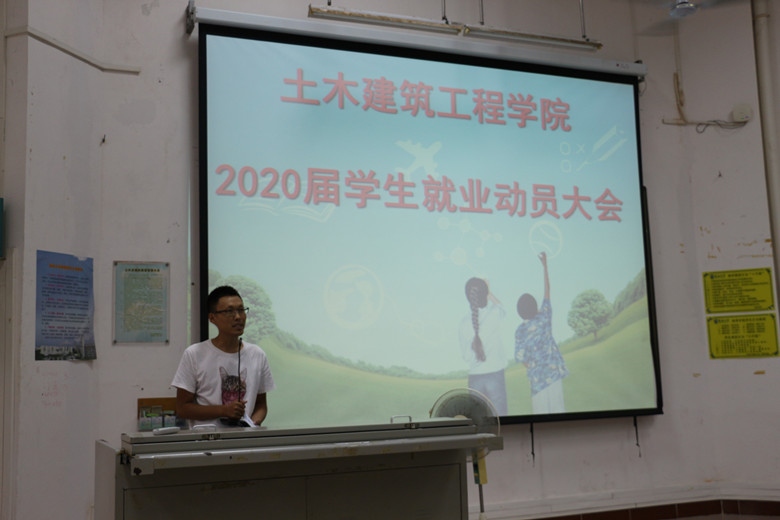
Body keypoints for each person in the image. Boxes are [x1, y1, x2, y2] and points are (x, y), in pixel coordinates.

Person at [172, 285, 275, 427]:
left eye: (241, 310)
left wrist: (253, 424)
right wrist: (224, 410)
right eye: (229, 311)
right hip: (207, 438)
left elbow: (261, 405)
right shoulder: (194, 354)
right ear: (212, 318)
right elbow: (183, 408)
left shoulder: (257, 354)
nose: (238, 317)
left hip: (245, 438)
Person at [514, 252, 568, 414]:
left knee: (540, 419)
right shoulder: (544, 317)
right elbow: (547, 290)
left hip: (537, 382)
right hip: (554, 376)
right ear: (535, 306)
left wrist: (534, 364)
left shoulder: (520, 331)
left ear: (520, 312)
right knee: (559, 414)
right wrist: (545, 266)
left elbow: (523, 360)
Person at [458, 277, 508, 415]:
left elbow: (466, 356)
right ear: (485, 295)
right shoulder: (494, 314)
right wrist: (489, 292)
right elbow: (501, 307)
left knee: (479, 423)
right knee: (501, 422)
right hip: (495, 375)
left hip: (475, 378)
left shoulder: (463, 324)